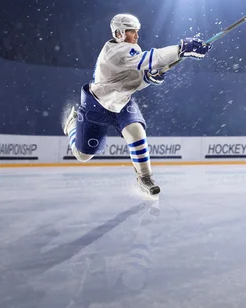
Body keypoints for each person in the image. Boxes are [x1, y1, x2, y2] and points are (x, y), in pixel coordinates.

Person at [63, 13, 211, 195]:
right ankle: (71, 125)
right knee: (83, 155)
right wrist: (180, 49)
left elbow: (135, 82)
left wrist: (149, 78)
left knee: (136, 132)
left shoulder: (130, 49)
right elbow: (151, 58)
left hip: (122, 102)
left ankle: (145, 178)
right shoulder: (116, 52)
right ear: (119, 33)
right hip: (98, 106)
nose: (137, 36)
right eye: (133, 32)